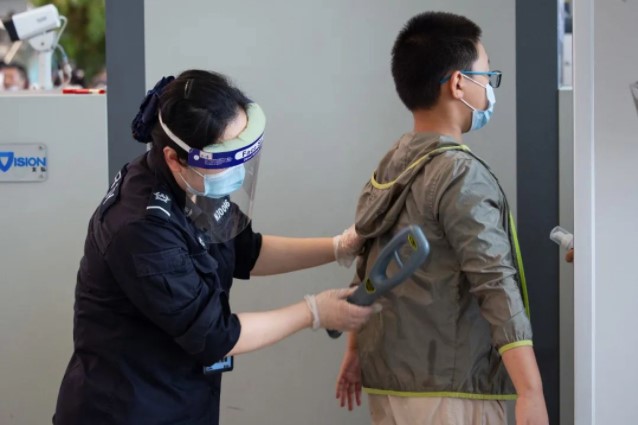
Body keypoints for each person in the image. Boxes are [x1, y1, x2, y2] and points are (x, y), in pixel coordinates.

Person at [53, 69, 377, 425]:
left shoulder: (192, 183)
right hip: (127, 408)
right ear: (174, 158)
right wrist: (313, 313)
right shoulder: (141, 229)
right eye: (225, 161)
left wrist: (339, 247)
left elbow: (246, 251)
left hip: (177, 396)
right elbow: (215, 335)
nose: (235, 171)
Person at [335, 12, 549, 425]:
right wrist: (531, 391)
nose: (489, 88)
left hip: (390, 385)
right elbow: (494, 282)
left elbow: (368, 266)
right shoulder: (460, 174)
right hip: (451, 394)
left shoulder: (392, 163)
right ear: (458, 84)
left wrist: (355, 349)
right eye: (487, 76)